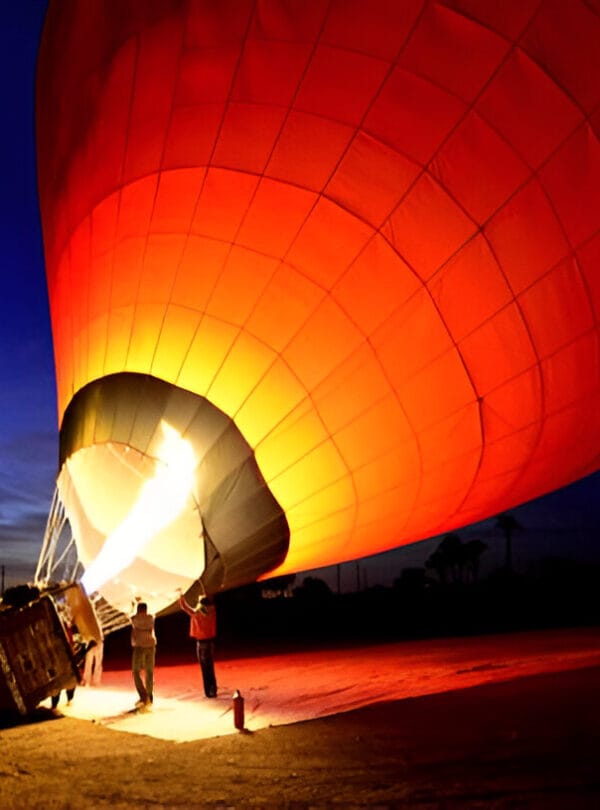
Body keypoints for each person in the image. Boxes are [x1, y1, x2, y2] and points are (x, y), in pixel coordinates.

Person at [177, 589, 218, 698]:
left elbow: (183, 606)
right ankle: (213, 689)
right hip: (210, 642)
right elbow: (209, 600)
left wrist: (180, 595)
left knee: (204, 668)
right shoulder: (213, 611)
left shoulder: (197, 613)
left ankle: (208, 692)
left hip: (201, 643)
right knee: (210, 667)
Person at [130, 601, 156, 709]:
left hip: (140, 646)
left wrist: (133, 604)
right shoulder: (151, 618)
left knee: (136, 671)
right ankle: (149, 695)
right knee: (149, 671)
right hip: (151, 645)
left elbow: (131, 618)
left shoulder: (135, 619)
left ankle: (143, 695)